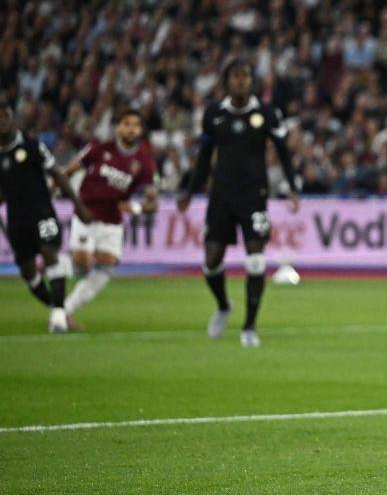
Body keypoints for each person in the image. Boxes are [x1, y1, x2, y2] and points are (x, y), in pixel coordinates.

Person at [178, 60, 301, 348]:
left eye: (246, 77)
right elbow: (204, 158)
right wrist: (189, 191)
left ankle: (249, 326)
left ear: (251, 81)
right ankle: (223, 306)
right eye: (236, 77)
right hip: (221, 194)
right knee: (211, 260)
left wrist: (293, 188)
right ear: (226, 82)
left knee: (256, 257)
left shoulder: (267, 114)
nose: (241, 82)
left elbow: (283, 153)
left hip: (254, 194)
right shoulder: (214, 114)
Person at [0, 100, 93, 332]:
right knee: (28, 272)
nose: (2, 122)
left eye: (5, 117)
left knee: (50, 252)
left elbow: (58, 175)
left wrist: (79, 206)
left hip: (42, 211)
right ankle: (58, 309)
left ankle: (59, 318)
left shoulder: (32, 147)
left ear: (12, 120)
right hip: (16, 219)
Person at [62, 109, 158, 322]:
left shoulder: (145, 163)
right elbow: (67, 172)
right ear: (118, 127)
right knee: (81, 265)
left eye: (135, 125)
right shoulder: (98, 149)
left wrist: (135, 208)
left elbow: (153, 203)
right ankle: (53, 267)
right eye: (126, 123)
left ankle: (65, 311)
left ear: (141, 130)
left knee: (107, 266)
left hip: (112, 222)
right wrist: (52, 191)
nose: (131, 129)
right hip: (86, 215)